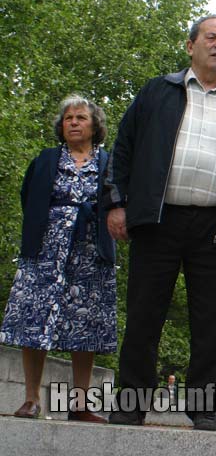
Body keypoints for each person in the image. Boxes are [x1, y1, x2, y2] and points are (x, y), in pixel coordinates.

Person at [104, 15, 216, 432]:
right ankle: (130, 403)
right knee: (144, 315)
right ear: (191, 45)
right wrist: (117, 203)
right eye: (212, 37)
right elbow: (124, 148)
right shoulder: (159, 92)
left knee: (213, 325)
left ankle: (207, 408)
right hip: (157, 220)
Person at [0, 95, 116, 423]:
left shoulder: (109, 162)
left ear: (95, 126)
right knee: (33, 319)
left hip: (91, 250)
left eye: (81, 117)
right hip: (44, 250)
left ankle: (79, 405)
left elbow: (118, 202)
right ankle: (31, 400)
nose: (74, 122)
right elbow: (29, 197)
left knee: (85, 323)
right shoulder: (46, 159)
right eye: (68, 119)